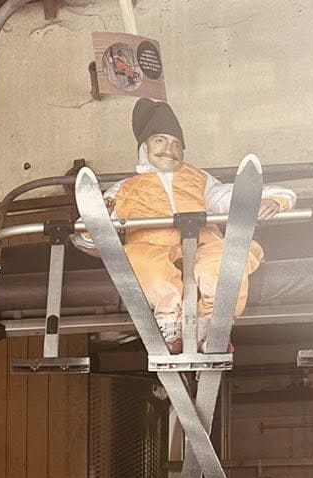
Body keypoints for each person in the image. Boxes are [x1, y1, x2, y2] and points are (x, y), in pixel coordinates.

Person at [110, 99, 295, 348]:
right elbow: (95, 226)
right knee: (136, 259)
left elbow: (229, 197)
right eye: (160, 141)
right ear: (144, 147)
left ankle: (213, 327)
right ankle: (170, 325)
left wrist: (276, 198)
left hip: (203, 246)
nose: (169, 149)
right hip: (151, 246)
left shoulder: (199, 179)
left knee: (226, 258)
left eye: (176, 144)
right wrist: (90, 233)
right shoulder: (124, 189)